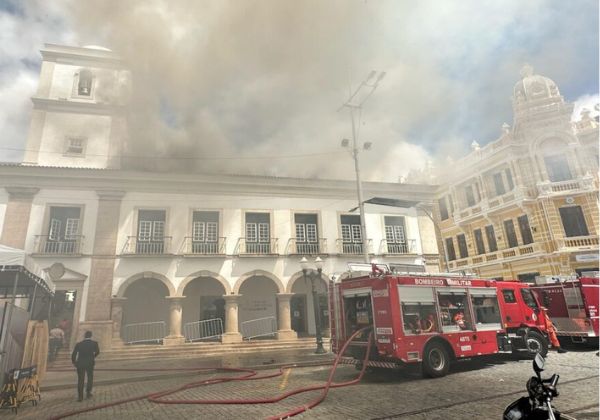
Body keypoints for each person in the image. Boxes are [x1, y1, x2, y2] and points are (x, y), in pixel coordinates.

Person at [71, 331, 100, 401]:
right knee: (90, 378)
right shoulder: (94, 343)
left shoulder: (79, 344)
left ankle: (80, 397)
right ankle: (88, 392)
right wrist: (93, 357)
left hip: (80, 363)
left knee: (80, 379)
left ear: (84, 336)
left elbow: (74, 354)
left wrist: (74, 362)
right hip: (90, 363)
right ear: (91, 336)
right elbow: (97, 352)